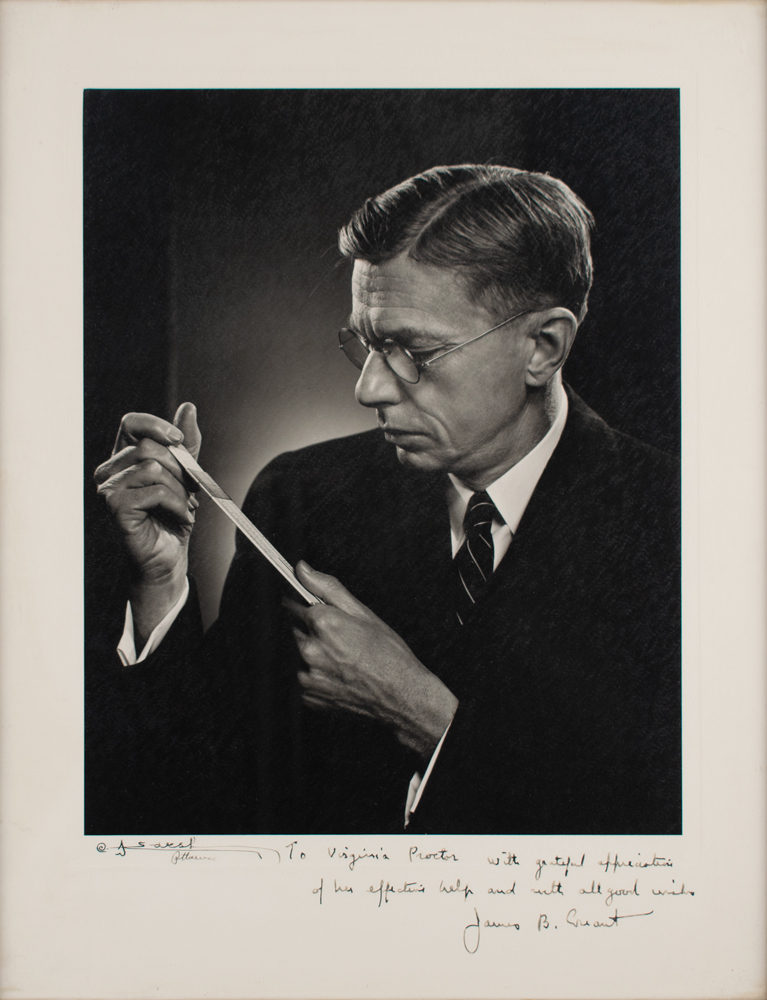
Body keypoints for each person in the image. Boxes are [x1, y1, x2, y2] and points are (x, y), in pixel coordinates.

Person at [87, 164, 680, 836]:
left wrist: (422, 713)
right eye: (367, 344)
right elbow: (206, 797)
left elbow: (675, 833)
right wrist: (159, 584)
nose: (368, 389)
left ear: (543, 347)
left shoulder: (678, 528)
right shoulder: (299, 499)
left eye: (411, 350)